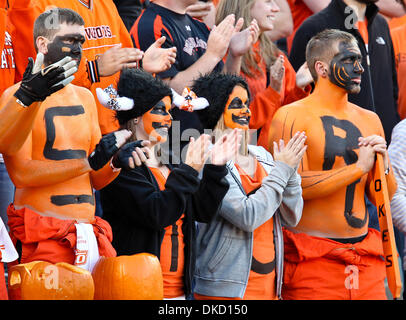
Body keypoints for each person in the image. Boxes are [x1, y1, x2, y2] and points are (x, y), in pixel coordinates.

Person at [2, 8, 148, 273]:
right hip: (43, 237)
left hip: (89, 233)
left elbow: (95, 179)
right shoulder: (16, 97)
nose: (77, 48)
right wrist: (87, 163)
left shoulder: (86, 97)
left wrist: (114, 162)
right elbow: (21, 174)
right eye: (69, 40)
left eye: (80, 42)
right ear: (42, 44)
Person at [269, 29, 397, 300]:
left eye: (360, 60)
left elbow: (383, 195)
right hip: (312, 260)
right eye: (350, 59)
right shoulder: (290, 116)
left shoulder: (371, 119)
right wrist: (357, 168)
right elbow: (290, 188)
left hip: (365, 257)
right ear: (322, 68)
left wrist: (382, 164)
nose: (359, 68)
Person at [99, 68, 239, 300]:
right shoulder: (123, 164)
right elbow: (158, 213)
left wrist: (215, 167)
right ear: (135, 116)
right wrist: (189, 169)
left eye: (170, 111)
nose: (169, 119)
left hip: (179, 293)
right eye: (160, 110)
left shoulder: (170, 163)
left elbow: (202, 211)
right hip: (136, 290)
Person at [190, 72, 304, 300]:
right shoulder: (207, 159)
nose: (246, 111)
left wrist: (290, 172)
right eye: (236, 104)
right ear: (217, 111)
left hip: (269, 285)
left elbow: (292, 217)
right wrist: (282, 170)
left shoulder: (261, 155)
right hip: (224, 291)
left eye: (247, 104)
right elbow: (247, 216)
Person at [9, 0, 176, 135]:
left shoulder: (106, 4)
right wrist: (94, 70)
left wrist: (141, 66)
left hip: (113, 130)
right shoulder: (37, 5)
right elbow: (37, 80)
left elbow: (123, 64)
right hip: (65, 136)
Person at [130, 0, 258, 162]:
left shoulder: (198, 25)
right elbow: (167, 94)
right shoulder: (151, 25)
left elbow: (222, 91)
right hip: (172, 149)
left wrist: (235, 55)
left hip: (207, 144)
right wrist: (212, 55)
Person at [289, 0, 400, 145]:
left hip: (386, 147)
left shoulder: (381, 24)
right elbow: (296, 97)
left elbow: (392, 88)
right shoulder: (315, 28)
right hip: (339, 150)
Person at [215, 0, 313, 150]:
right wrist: (272, 92)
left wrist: (299, 89)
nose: (276, 8)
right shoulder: (220, 53)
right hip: (237, 158)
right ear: (244, 5)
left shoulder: (275, 56)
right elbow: (233, 120)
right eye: (268, 1)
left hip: (273, 159)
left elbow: (288, 118)